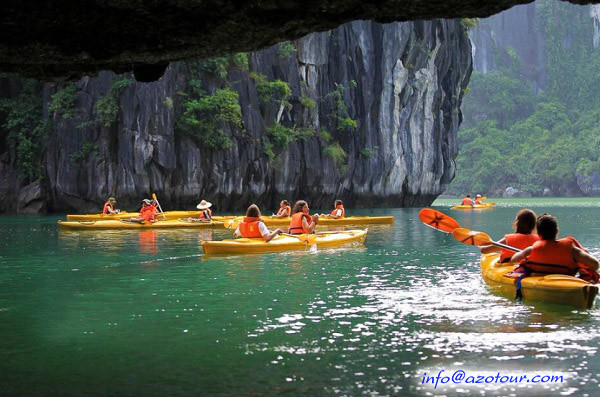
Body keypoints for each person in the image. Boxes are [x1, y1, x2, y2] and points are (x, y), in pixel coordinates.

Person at [508, 213, 599, 282]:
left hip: (539, 280)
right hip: (567, 282)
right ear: (556, 231)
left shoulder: (531, 249)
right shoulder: (572, 251)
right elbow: (595, 264)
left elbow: (514, 260)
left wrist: (524, 254)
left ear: (538, 235)